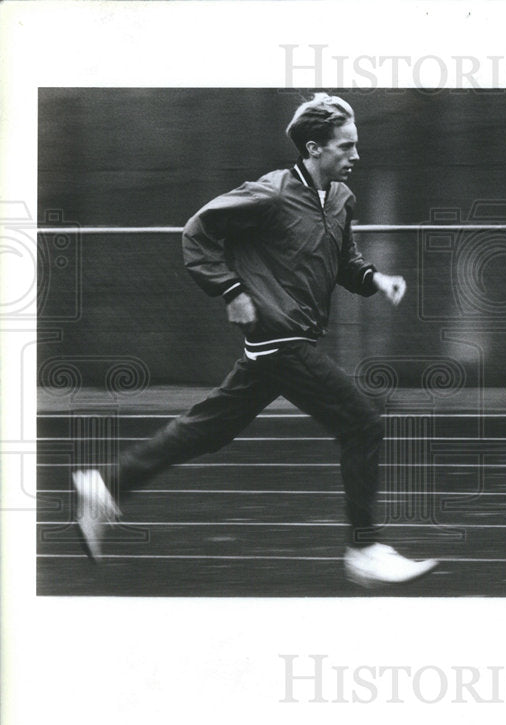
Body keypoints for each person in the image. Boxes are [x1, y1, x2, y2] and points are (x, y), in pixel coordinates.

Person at [72, 93, 438, 588]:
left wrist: (376, 279)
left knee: (210, 429)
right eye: (346, 147)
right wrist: (230, 291)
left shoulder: (341, 200)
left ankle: (107, 487)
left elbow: (345, 264)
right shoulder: (270, 193)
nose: (356, 156)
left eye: (356, 147)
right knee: (362, 425)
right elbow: (197, 231)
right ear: (314, 148)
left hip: (287, 342)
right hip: (280, 338)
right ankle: (364, 548)